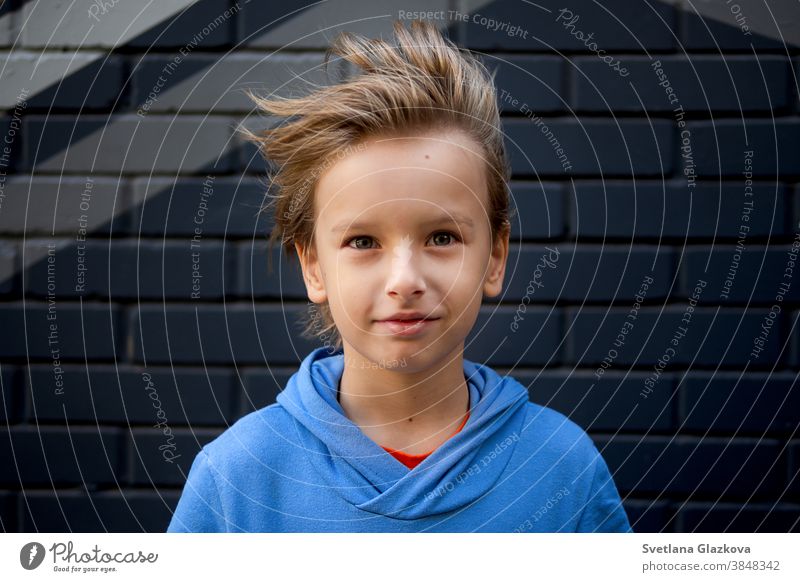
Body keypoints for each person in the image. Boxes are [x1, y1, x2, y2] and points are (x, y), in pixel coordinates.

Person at [167, 19, 631, 533]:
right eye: (363, 242)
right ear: (313, 267)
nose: (404, 279)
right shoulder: (238, 476)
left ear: (495, 257)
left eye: (441, 237)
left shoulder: (563, 468)